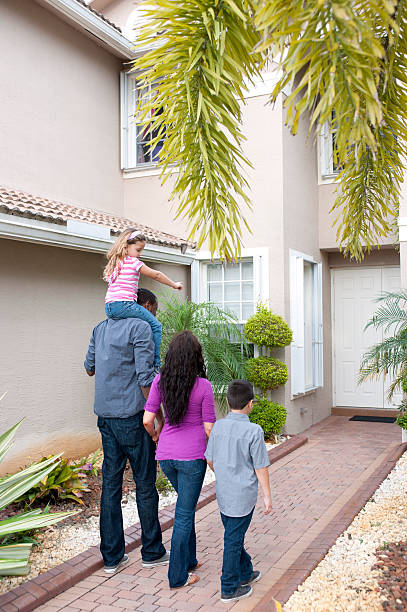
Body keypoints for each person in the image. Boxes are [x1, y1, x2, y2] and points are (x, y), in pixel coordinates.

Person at [84, 298, 169, 574]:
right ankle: (152, 552)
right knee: (145, 484)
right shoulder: (141, 327)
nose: (152, 316)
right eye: (152, 310)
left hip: (106, 418)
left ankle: (112, 558)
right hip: (133, 417)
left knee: (111, 484)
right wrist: (154, 412)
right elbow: (146, 378)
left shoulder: (99, 328)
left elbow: (89, 367)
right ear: (141, 305)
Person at [143, 331, 216, 589]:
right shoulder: (203, 386)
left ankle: (190, 559)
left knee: (186, 507)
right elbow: (209, 429)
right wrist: (215, 457)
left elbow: (147, 420)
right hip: (192, 458)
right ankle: (178, 576)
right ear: (196, 357)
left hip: (166, 457)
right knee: (184, 513)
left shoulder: (160, 382)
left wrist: (155, 437)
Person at [205, 380, 272, 603]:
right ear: (251, 404)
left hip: (224, 494)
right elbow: (260, 466)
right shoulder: (254, 430)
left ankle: (245, 571)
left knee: (234, 535)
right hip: (243, 497)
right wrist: (267, 496)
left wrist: (225, 474)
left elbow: (210, 459)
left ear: (227, 400)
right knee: (233, 539)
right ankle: (229, 587)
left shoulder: (219, 426)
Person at [103, 228, 183, 368]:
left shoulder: (117, 263)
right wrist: (174, 285)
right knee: (156, 326)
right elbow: (156, 275)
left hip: (110, 307)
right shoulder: (134, 263)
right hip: (124, 304)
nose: (139, 254)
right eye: (138, 250)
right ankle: (156, 363)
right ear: (126, 246)